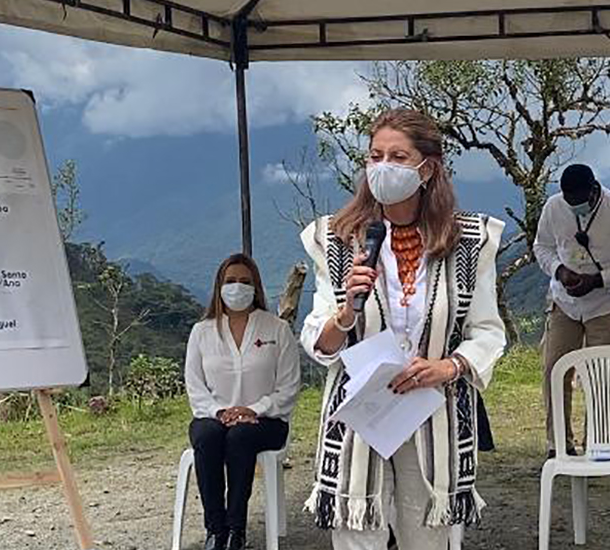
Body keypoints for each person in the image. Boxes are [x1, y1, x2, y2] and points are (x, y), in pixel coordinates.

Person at [300, 108, 506, 550]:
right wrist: (345, 314)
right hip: (362, 411)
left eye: (397, 156)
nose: (383, 167)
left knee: (430, 533)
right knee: (358, 532)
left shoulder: (470, 240)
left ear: (427, 168)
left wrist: (448, 367)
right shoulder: (335, 238)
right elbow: (319, 339)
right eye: (375, 156)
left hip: (434, 411)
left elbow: (487, 331)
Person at [532, 163, 610, 457]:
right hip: (564, 302)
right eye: (569, 202)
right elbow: (542, 247)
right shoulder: (553, 207)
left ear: (594, 190)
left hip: (606, 305)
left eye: (580, 202)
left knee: (603, 375)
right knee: (554, 370)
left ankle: (598, 443)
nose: (575, 208)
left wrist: (598, 280)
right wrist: (560, 271)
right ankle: (558, 444)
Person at [185, 253, 301, 550]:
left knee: (241, 436)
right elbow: (195, 386)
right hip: (213, 418)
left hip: (267, 422)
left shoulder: (277, 329)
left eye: (245, 282)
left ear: (256, 287)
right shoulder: (202, 332)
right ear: (219, 287)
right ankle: (215, 530)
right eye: (231, 281)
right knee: (207, 436)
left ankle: (237, 530)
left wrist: (254, 409)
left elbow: (288, 387)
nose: (238, 287)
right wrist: (219, 412)